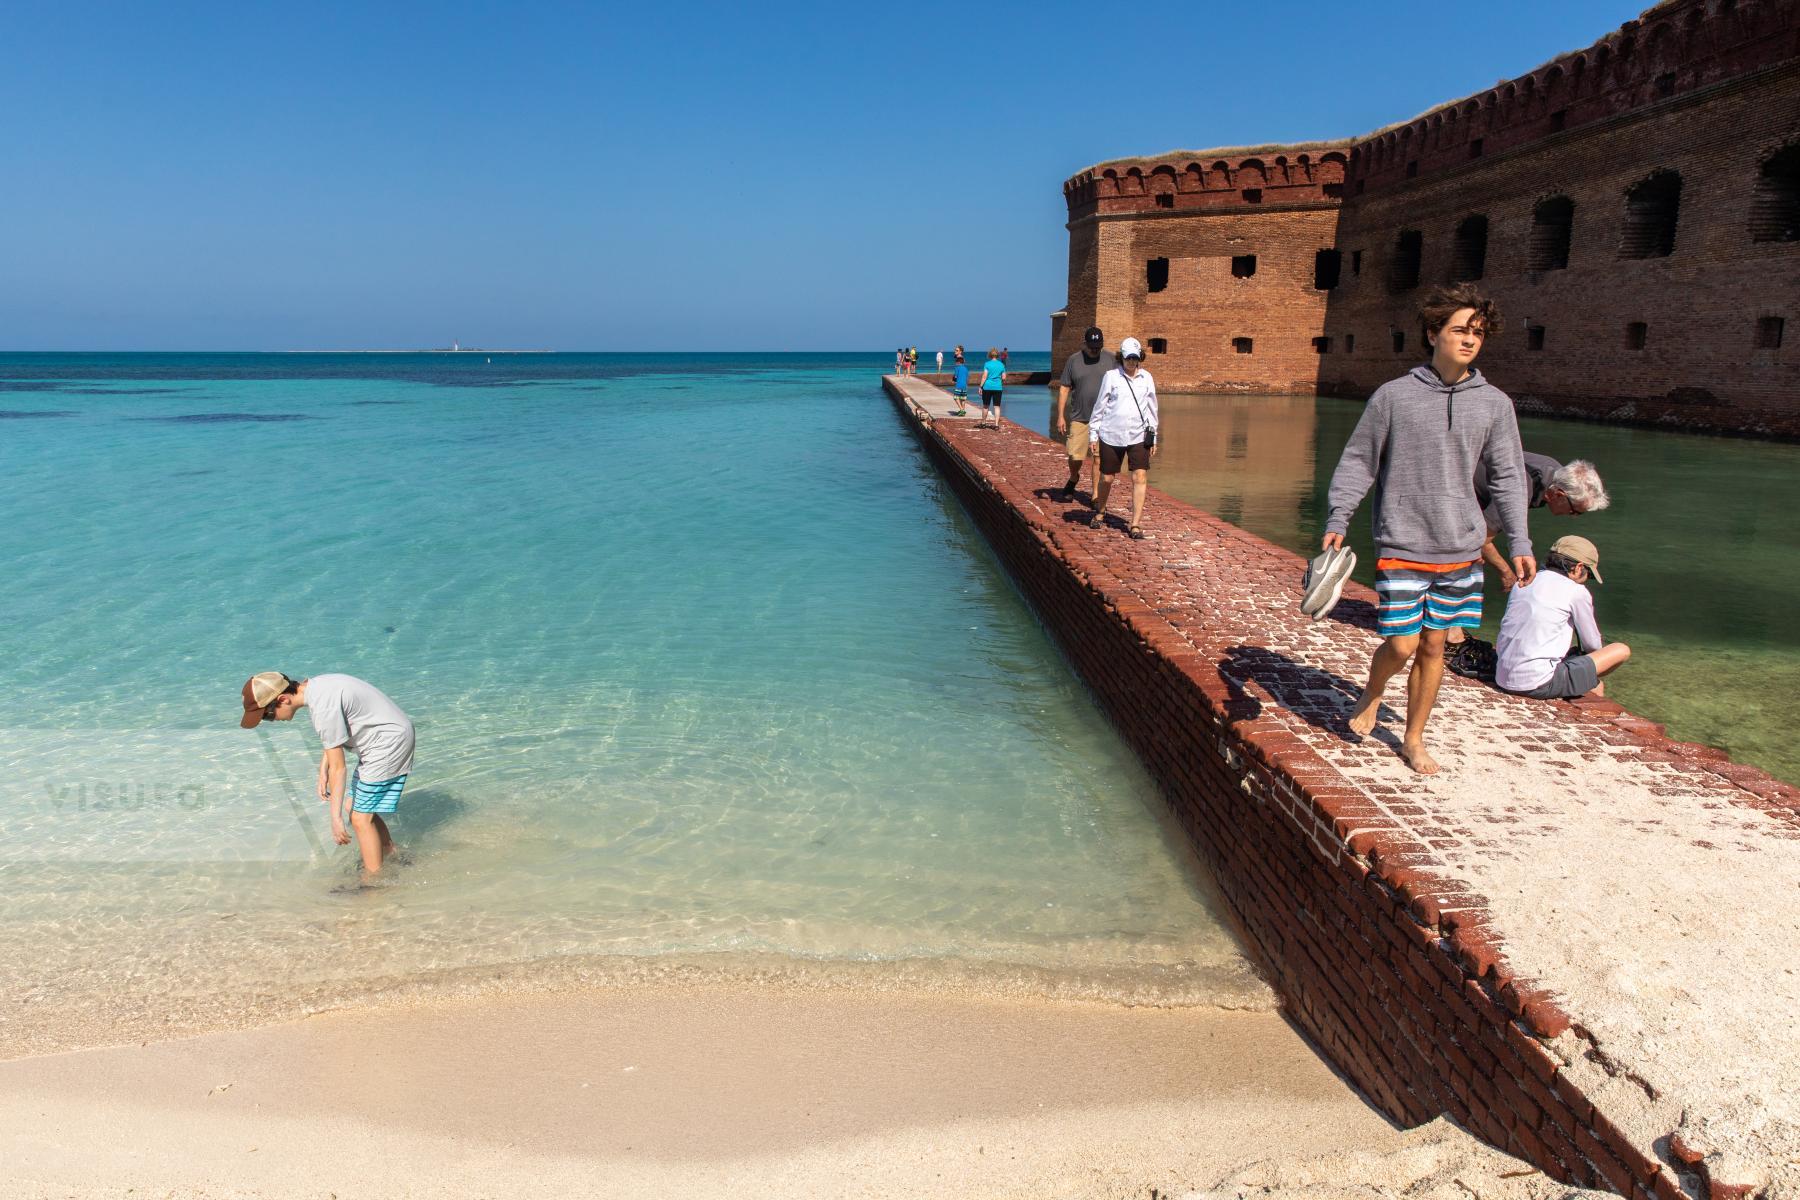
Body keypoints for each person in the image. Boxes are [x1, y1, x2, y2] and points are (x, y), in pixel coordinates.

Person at [1321, 283, 1534, 776]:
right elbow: (1358, 462)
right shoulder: (1393, 396)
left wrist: (1520, 542)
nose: (1469, 340)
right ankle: (1373, 692)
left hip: (1460, 544)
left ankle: (1414, 738)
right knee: (1401, 643)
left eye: (1477, 333)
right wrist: (1338, 518)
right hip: (1402, 538)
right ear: (1433, 332)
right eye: (1460, 330)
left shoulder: (1495, 404)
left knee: (1435, 643)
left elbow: (1507, 477)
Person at [240, 671, 416, 876]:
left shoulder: (322, 708)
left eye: (266, 716)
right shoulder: (317, 687)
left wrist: (335, 818)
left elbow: (339, 767)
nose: (269, 721)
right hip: (384, 738)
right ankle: (390, 853)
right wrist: (323, 768)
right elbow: (335, 734)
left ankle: (374, 882)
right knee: (353, 806)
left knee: (359, 819)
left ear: (283, 699)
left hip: (388, 742)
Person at [1496, 535, 1630, 698]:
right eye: (1588, 573)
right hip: (1536, 683)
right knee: (1621, 650)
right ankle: (1589, 688)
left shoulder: (1523, 582)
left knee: (1584, 672)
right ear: (1579, 568)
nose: (1585, 581)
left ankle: (1584, 681)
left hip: (1502, 676)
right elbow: (1592, 645)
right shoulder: (1576, 591)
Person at [1474, 454, 1610, 589]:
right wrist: (1506, 573)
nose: (1573, 516)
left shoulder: (1553, 470)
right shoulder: (1519, 492)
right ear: (1558, 495)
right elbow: (1479, 540)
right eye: (1575, 511)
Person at [1085, 336, 1159, 539]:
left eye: (1135, 358)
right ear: (1121, 357)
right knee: (1107, 478)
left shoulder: (1147, 378)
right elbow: (1099, 407)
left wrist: (1153, 437)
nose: (1131, 362)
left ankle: (1135, 524)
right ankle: (1100, 511)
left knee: (1140, 477)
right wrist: (1093, 434)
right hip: (1111, 434)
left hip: (1138, 435)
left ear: (1140, 358)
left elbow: (1152, 410)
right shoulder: (1111, 377)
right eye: (1128, 358)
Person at [1052, 326, 1109, 502]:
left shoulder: (1112, 359)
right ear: (1084, 344)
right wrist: (1060, 415)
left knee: (1098, 459)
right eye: (1092, 347)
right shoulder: (1074, 360)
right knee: (1075, 456)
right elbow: (1064, 388)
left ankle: (1095, 496)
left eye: (1098, 347)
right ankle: (1074, 476)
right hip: (1079, 417)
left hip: (1104, 419)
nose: (1094, 350)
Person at [978, 347, 1005, 428]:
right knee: (997, 406)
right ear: (998, 355)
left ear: (990, 355)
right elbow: (1004, 377)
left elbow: (984, 376)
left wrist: (980, 386)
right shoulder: (1001, 364)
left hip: (987, 387)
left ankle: (983, 423)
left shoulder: (987, 364)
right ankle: (996, 424)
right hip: (998, 387)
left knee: (986, 405)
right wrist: (1000, 383)